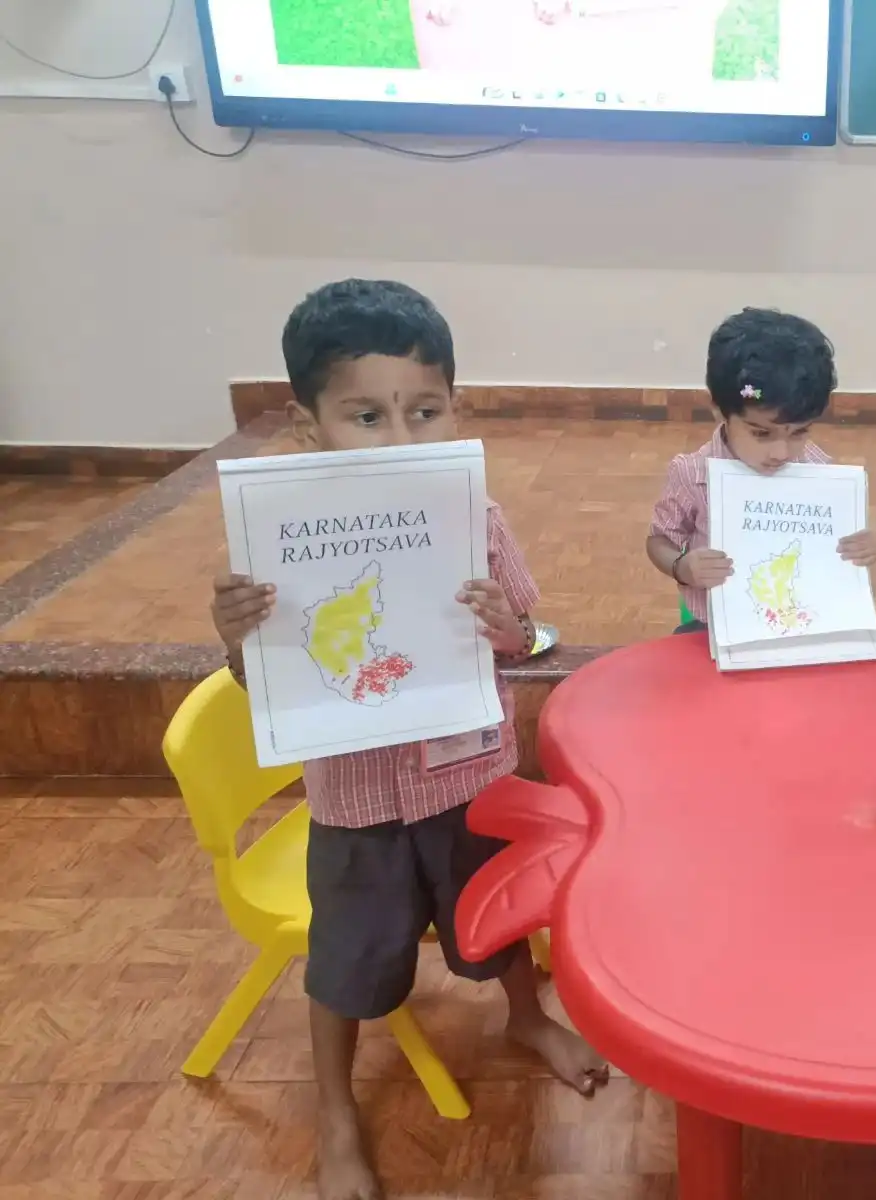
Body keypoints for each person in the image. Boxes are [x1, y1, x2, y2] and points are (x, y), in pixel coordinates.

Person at [210, 280, 608, 1200]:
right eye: (366, 415)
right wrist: (238, 636)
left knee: (496, 917)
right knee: (349, 959)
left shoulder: (478, 516)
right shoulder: (276, 537)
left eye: (423, 411)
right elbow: (261, 681)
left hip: (469, 778)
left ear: (453, 409)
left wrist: (505, 623)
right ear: (307, 424)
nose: (401, 437)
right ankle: (336, 1110)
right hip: (355, 802)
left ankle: (526, 1016)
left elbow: (524, 639)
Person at [647, 307, 876, 631]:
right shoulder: (692, 474)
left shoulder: (815, 468)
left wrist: (869, 538)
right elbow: (659, 540)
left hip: (794, 617)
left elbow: (844, 530)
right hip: (712, 624)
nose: (781, 452)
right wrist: (681, 567)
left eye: (799, 432)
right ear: (720, 411)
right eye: (761, 433)